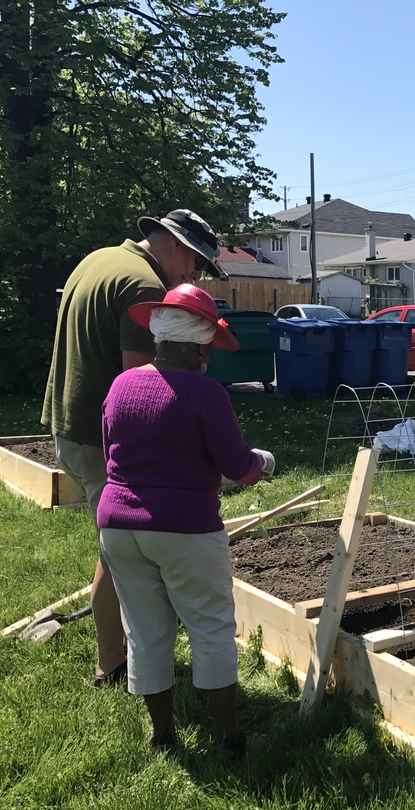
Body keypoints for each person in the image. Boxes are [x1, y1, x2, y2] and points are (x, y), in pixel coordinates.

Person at [41, 209, 227, 686]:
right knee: (119, 551)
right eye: (197, 264)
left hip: (69, 426)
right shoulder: (146, 287)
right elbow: (148, 388)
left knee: (117, 545)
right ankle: (112, 663)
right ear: (177, 245)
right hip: (103, 438)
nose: (195, 275)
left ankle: (129, 651)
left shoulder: (100, 259)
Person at [97, 284, 274, 756]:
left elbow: (111, 450)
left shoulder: (122, 385)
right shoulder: (205, 393)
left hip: (118, 526)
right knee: (211, 627)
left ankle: (162, 737)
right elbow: (237, 466)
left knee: (145, 631)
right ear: (192, 343)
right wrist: (263, 463)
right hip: (184, 529)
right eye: (208, 348)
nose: (211, 358)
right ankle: (229, 739)